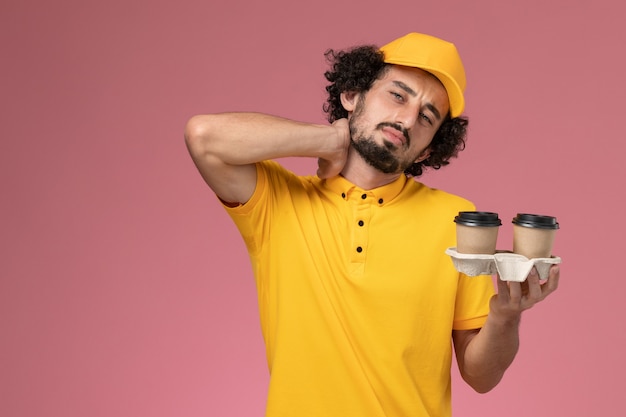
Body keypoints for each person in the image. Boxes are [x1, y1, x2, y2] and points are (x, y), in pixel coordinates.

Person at [185, 32, 560, 417]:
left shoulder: (457, 220)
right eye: (398, 95)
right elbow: (204, 137)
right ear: (352, 94)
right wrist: (327, 139)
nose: (408, 118)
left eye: (428, 116)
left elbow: (482, 377)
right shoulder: (278, 202)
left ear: (429, 147)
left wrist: (504, 316)